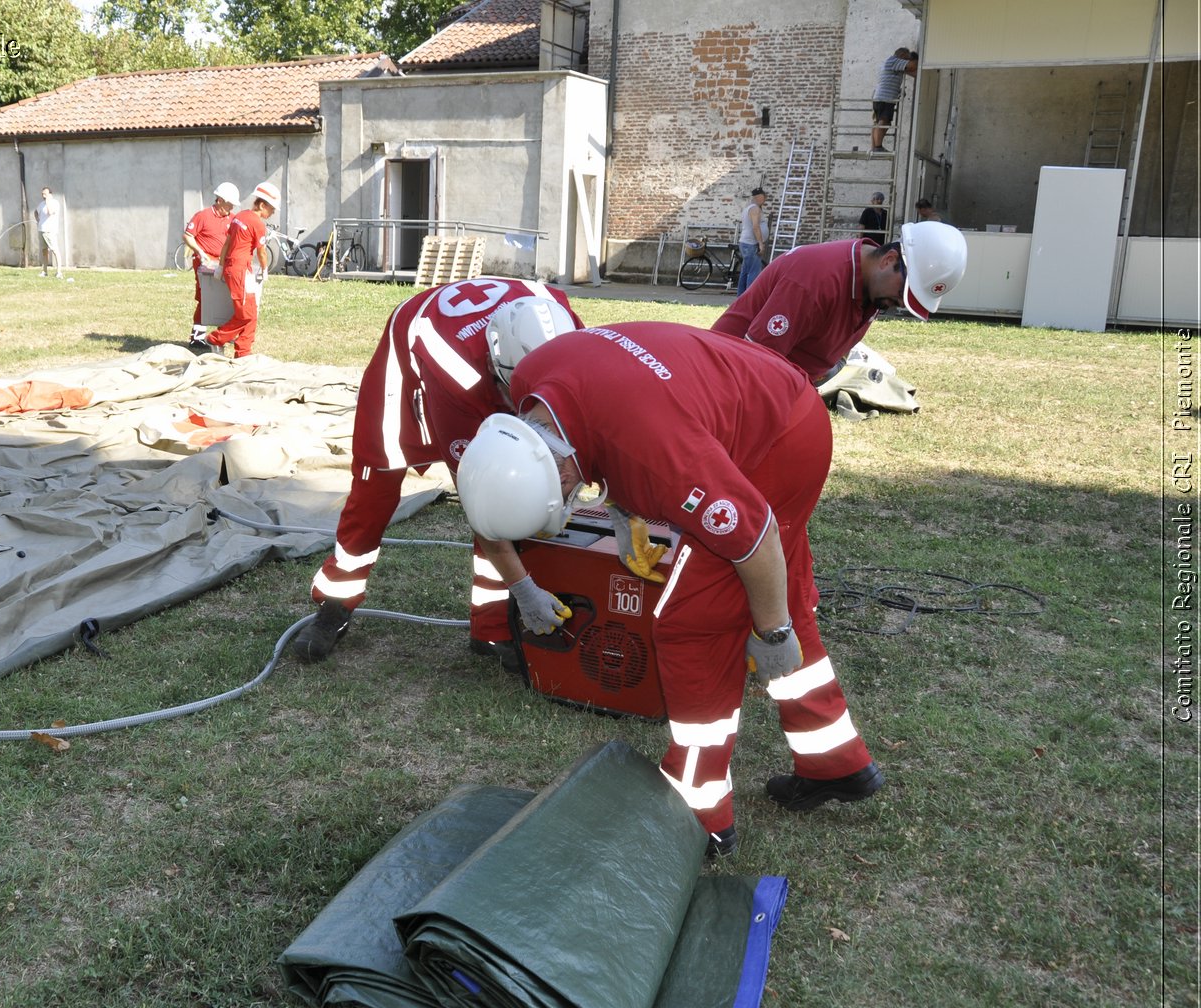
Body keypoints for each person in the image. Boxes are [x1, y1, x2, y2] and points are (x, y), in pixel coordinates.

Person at [455, 321, 886, 858]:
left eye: (563, 499)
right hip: (749, 394)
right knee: (773, 599)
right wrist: (624, 507)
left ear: (561, 472)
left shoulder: (657, 454)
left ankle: (698, 811)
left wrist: (773, 633)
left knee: (693, 625)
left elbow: (754, 537)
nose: (569, 504)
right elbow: (605, 420)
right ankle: (834, 760)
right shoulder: (534, 388)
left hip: (782, 440)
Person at [291, 279, 582, 668]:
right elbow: (483, 501)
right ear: (497, 367)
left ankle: (492, 627)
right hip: (409, 367)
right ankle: (336, 601)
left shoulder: (566, 327)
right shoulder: (457, 370)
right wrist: (526, 591)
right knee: (375, 487)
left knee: (517, 485)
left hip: (475, 355)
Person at [711, 220, 969, 383]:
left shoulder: (876, 288)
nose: (901, 303)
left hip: (786, 385)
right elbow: (753, 366)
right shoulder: (815, 281)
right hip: (727, 379)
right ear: (889, 260)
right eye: (905, 292)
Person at [206, 181, 277, 358]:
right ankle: (215, 339)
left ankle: (243, 352)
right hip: (240, 272)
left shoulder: (240, 216)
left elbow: (227, 244)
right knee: (246, 314)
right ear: (262, 205)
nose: (273, 212)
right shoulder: (258, 225)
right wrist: (265, 269)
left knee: (251, 313)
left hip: (237, 270)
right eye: (272, 208)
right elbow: (261, 252)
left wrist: (221, 266)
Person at [183, 182, 239, 347]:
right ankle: (197, 337)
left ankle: (223, 334)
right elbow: (187, 236)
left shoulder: (232, 218)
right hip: (205, 263)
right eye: (229, 203)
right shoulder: (203, 216)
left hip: (223, 263)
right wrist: (201, 252)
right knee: (205, 298)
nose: (230, 208)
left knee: (225, 297)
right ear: (220, 200)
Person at [871, 48, 918, 153]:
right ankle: (877, 147)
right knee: (883, 121)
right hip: (885, 98)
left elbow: (913, 72)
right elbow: (913, 66)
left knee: (880, 122)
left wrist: (898, 90)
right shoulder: (893, 61)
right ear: (901, 55)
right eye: (906, 59)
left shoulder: (895, 65)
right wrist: (915, 59)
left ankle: (875, 147)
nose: (906, 62)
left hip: (881, 97)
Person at [736, 188, 767, 295]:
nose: (765, 199)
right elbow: (755, 227)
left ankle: (741, 297)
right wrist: (760, 244)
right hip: (751, 244)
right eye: (764, 197)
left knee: (745, 272)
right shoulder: (755, 209)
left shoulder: (748, 208)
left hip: (746, 243)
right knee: (753, 272)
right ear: (759, 197)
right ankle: (749, 298)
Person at [35, 187, 63, 279]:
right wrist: (37, 219)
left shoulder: (55, 203)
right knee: (44, 251)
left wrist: (47, 202)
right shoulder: (41, 204)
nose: (43, 196)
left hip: (50, 230)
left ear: (50, 194)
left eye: (45, 194)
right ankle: (45, 271)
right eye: (42, 194)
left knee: (55, 250)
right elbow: (36, 211)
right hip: (41, 230)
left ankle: (59, 272)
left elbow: (50, 212)